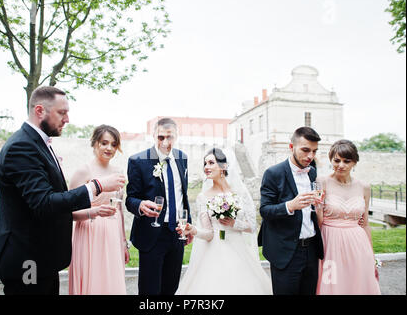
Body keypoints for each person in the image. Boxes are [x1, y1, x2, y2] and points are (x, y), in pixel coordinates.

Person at [0, 86, 125, 295]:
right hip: (28, 261)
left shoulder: (40, 144)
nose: (68, 119)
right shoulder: (22, 147)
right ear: (39, 111)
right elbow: (44, 203)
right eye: (62, 112)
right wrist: (97, 186)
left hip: (43, 258)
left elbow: (56, 198)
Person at [175, 148, 272, 295]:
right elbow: (208, 234)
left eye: (211, 163)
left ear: (224, 166)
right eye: (205, 163)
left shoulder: (239, 193)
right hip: (213, 253)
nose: (206, 167)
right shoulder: (203, 197)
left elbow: (252, 226)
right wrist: (193, 230)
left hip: (238, 252)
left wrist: (234, 224)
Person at [126, 117, 192, 295]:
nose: (165, 142)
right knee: (150, 291)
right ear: (153, 135)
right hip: (151, 234)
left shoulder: (182, 158)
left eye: (169, 137)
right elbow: (130, 199)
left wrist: (188, 226)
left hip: (177, 233)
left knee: (171, 289)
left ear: (176, 136)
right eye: (160, 137)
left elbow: (182, 196)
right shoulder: (137, 161)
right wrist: (140, 204)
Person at [257, 126, 324, 295]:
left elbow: (311, 211)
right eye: (305, 150)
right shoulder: (273, 173)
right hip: (285, 252)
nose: (310, 156)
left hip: (311, 249)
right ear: (291, 147)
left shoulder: (312, 173)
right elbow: (265, 210)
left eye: (314, 151)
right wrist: (290, 206)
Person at [68, 125, 130, 294]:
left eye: (114, 144)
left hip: (112, 234)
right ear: (95, 143)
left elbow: (119, 209)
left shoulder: (118, 172)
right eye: (104, 143)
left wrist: (124, 242)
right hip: (89, 234)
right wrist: (94, 212)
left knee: (111, 283)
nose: (109, 148)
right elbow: (68, 212)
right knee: (93, 282)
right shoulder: (83, 171)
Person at [316, 140, 381, 294]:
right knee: (332, 283)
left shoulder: (364, 187)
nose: (341, 165)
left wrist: (371, 254)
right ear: (331, 159)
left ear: (354, 163)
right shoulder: (321, 182)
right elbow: (318, 219)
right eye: (336, 160)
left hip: (358, 244)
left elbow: (365, 223)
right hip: (330, 243)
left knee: (357, 284)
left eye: (347, 161)